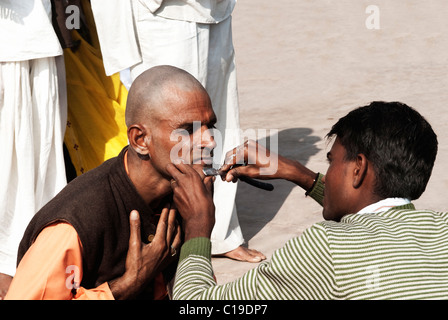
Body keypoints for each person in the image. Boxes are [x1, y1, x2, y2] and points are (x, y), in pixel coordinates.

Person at [169, 101, 448, 299]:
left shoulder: (326, 247)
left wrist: (198, 225)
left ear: (358, 168)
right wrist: (298, 174)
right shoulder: (441, 227)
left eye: (332, 161)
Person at [5, 65, 217, 300]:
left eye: (211, 126)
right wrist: (128, 284)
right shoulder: (74, 225)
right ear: (140, 139)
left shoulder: (191, 193)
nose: (209, 141)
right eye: (188, 130)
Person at [89, 0, 265, 263]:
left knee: (217, 123)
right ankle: (173, 246)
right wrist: (120, 54)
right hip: (162, 18)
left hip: (215, 10)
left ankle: (219, 234)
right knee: (172, 140)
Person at [0, 0, 67, 298]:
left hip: (36, 37)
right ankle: (8, 264)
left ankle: (33, 258)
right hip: (10, 45)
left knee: (40, 162)